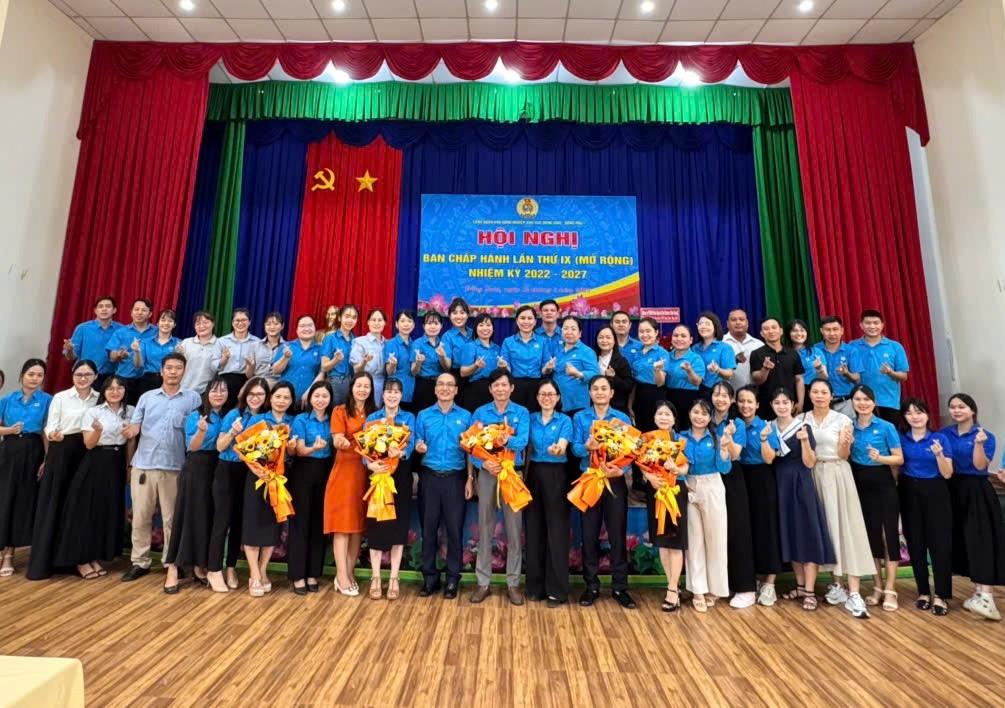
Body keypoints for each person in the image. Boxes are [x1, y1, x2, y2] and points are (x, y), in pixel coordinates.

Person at [121, 353, 201, 582]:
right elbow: (135, 424)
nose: (173, 371)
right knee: (140, 517)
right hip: (144, 465)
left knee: (171, 519)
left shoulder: (193, 399)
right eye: (169, 367)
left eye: (178, 368)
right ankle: (140, 561)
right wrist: (131, 431)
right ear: (161, 371)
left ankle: (171, 562)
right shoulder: (147, 397)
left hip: (175, 467)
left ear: (184, 371)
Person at [800, 379, 874, 619]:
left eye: (824, 392)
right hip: (813, 474)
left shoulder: (843, 420)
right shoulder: (803, 420)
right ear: (809, 394)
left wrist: (844, 445)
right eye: (815, 392)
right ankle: (837, 583)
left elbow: (844, 454)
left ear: (831, 395)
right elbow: (806, 457)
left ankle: (854, 592)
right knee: (826, 528)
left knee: (846, 527)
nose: (819, 396)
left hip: (838, 473)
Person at [53, 375, 135, 579]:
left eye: (119, 388)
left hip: (117, 463)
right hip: (96, 461)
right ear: (104, 391)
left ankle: (94, 556)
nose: (115, 391)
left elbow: (130, 442)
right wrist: (98, 431)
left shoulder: (131, 411)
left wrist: (128, 466)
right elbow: (89, 444)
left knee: (105, 512)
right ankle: (81, 559)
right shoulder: (94, 412)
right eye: (110, 388)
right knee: (87, 511)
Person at [27, 359, 100, 580]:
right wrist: (53, 435)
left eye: (87, 374)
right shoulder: (60, 397)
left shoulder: (100, 398)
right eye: (78, 374)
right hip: (62, 451)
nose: (83, 378)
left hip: (88, 452)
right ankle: (48, 561)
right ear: (72, 376)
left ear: (95, 377)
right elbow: (50, 425)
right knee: (55, 504)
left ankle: (80, 557)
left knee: (80, 507)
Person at [768, 387, 834, 611]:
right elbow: (769, 459)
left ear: (793, 404)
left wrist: (805, 442)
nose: (781, 406)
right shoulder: (769, 428)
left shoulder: (802, 427)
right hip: (780, 483)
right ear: (772, 406)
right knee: (790, 534)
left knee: (807, 533)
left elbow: (809, 462)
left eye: (785, 402)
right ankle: (799, 585)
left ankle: (810, 590)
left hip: (801, 482)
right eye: (777, 402)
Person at [573, 375, 636, 609]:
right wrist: (585, 448)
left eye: (604, 388)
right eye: (595, 389)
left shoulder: (620, 418)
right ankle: (591, 586)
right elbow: (574, 447)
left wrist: (622, 470)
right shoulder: (580, 418)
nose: (600, 392)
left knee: (617, 533)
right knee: (588, 534)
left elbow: (631, 451)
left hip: (614, 480)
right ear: (589, 393)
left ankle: (620, 587)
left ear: (611, 393)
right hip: (590, 478)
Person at [941, 393, 1005, 621]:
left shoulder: (986, 436)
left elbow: (980, 466)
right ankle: (977, 592)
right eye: (953, 407)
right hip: (952, 489)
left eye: (962, 407)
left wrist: (978, 444)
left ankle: (986, 596)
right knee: (963, 541)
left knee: (981, 540)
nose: (957, 410)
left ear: (972, 411)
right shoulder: (944, 434)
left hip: (976, 490)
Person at [468, 369, 530, 606]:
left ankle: (513, 583)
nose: (501, 389)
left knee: (514, 530)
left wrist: (505, 439)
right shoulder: (481, 413)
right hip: (487, 474)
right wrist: (484, 462)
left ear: (511, 388)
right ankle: (483, 582)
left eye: (505, 385)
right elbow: (471, 446)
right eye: (496, 385)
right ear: (490, 389)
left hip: (512, 473)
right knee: (485, 527)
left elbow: (522, 441)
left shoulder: (521, 412)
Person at [163, 377, 229, 593]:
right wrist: (201, 431)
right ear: (206, 393)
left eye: (223, 391)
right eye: (214, 391)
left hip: (217, 468)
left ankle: (199, 566)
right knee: (186, 517)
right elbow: (191, 445)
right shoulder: (195, 416)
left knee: (206, 518)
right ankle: (172, 568)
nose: (218, 395)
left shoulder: (227, 417)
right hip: (196, 466)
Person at [209, 376, 270, 592]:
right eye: (252, 394)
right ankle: (214, 569)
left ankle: (231, 567)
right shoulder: (234, 415)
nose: (255, 398)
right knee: (222, 521)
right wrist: (233, 432)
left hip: (250, 473)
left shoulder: (266, 418)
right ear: (245, 395)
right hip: (228, 470)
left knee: (239, 523)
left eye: (260, 395)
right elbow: (219, 446)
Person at [414, 372, 472, 599]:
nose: (445, 388)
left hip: (456, 478)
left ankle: (452, 579)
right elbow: (417, 441)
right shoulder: (424, 416)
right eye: (441, 384)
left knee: (454, 529)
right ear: (435, 388)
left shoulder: (466, 416)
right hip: (429, 477)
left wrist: (470, 478)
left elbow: (471, 450)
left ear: (456, 390)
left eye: (450, 385)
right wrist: (418, 446)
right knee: (428, 530)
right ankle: (429, 578)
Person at [849, 384, 904, 612]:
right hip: (859, 484)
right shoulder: (848, 427)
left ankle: (891, 588)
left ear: (874, 402)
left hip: (883, 483)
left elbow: (899, 459)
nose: (862, 403)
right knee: (870, 536)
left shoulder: (886, 427)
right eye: (858, 399)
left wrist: (880, 458)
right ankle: (877, 586)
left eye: (866, 399)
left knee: (888, 535)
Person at [896, 398, 953, 616]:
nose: (915, 417)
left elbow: (948, 473)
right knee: (916, 544)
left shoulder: (940, 438)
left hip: (936, 491)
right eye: (909, 413)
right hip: (909, 491)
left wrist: (939, 454)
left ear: (927, 415)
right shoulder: (902, 440)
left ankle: (941, 594)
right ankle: (923, 592)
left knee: (940, 545)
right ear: (905, 417)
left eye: (919, 412)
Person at [243, 381, 297, 597]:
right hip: (257, 480)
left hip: (279, 481)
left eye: (286, 398)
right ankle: (254, 574)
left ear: (291, 401)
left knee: (271, 527)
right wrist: (257, 471)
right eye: (278, 396)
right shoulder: (258, 420)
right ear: (270, 398)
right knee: (253, 525)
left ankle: (263, 570)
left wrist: (291, 450)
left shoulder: (292, 423)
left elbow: (291, 456)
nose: (281, 401)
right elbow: (245, 451)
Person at [324, 372, 376, 595]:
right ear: (352, 387)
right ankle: (341, 576)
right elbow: (336, 438)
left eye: (367, 386)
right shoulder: (340, 411)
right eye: (359, 385)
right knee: (342, 526)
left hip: (368, 472)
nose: (363, 390)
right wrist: (340, 440)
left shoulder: (375, 414)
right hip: (345, 471)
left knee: (357, 526)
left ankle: (349, 571)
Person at [363, 378, 415, 601]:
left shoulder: (409, 418)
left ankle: (394, 577)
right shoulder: (372, 419)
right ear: (382, 395)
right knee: (376, 525)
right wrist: (369, 464)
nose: (392, 396)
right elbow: (365, 450)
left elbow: (411, 447)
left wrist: (401, 453)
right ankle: (376, 577)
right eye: (388, 392)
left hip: (399, 476)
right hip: (378, 475)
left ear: (401, 396)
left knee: (398, 525)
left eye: (396, 392)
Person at [524, 379, 574, 607]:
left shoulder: (565, 420)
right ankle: (535, 587)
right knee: (534, 529)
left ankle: (557, 590)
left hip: (556, 475)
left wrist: (559, 448)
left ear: (558, 397)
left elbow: (563, 443)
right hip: (533, 474)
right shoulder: (530, 418)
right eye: (543, 394)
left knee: (557, 531)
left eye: (551, 394)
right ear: (537, 397)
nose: (547, 398)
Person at [680, 398, 732, 612]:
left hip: (712, 485)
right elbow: (677, 464)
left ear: (710, 416)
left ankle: (716, 588)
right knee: (695, 540)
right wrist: (685, 484)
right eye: (695, 412)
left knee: (716, 538)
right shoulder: (680, 437)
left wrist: (725, 448)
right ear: (689, 414)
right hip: (690, 485)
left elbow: (724, 468)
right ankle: (698, 589)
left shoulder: (717, 436)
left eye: (704, 413)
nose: (699, 417)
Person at [0, 359, 51, 577]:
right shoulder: (7, 400)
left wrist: (46, 459)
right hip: (8, 450)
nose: (35, 379)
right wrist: (8, 431)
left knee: (22, 500)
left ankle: (10, 554)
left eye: (39, 375)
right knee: (4, 499)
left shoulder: (48, 400)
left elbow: (47, 432)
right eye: (31, 374)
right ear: (22, 375)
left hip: (33, 450)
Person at [637, 400, 690, 613]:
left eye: (668, 414)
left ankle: (672, 590)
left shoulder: (681, 440)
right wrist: (649, 477)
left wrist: (675, 468)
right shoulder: (647, 440)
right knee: (661, 541)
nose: (663, 417)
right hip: (655, 492)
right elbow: (641, 465)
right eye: (660, 414)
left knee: (675, 541)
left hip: (675, 493)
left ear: (674, 419)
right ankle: (672, 585)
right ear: (654, 417)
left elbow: (686, 467)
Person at [710, 382, 757, 609]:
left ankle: (745, 587)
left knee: (738, 531)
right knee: (718, 533)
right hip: (710, 478)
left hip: (732, 478)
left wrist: (727, 440)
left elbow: (737, 453)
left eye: (725, 396)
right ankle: (722, 585)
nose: (720, 399)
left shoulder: (736, 423)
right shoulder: (705, 420)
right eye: (716, 394)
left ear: (731, 401)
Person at [735, 385, 783, 606]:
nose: (745, 405)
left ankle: (770, 583)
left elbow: (769, 459)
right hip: (740, 478)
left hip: (762, 479)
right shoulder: (734, 426)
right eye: (742, 401)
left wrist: (764, 439)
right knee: (747, 531)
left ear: (758, 404)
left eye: (749, 401)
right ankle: (751, 579)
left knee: (767, 529)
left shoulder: (765, 427)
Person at [289, 381, 334, 596]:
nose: (321, 400)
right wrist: (313, 448)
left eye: (325, 396)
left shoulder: (332, 420)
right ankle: (298, 575)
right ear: (310, 398)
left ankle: (313, 573)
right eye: (317, 396)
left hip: (326, 472)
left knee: (319, 523)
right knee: (300, 523)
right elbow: (298, 451)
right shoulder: (301, 420)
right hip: (303, 471)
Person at [851, 309, 909, 423]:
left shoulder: (895, 347)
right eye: (868, 323)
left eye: (876, 323)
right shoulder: (852, 346)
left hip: (889, 403)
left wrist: (890, 372)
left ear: (882, 325)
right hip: (861, 403)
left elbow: (904, 376)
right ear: (861, 325)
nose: (872, 326)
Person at [751, 317, 805, 419]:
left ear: (781, 331)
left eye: (774, 327)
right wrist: (765, 369)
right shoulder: (756, 354)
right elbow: (757, 380)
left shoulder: (792, 353)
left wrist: (801, 402)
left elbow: (799, 379)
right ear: (762, 333)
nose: (771, 331)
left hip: (790, 405)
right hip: (766, 406)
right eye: (766, 329)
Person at [105, 298, 156, 406]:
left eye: (143, 310)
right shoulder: (121, 332)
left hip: (148, 380)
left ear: (150, 314)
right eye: (136, 309)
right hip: (124, 379)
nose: (139, 312)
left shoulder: (157, 332)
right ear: (131, 312)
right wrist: (119, 354)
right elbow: (111, 356)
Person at [63, 295, 121, 385]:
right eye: (100, 306)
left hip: (111, 377)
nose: (104, 309)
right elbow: (71, 357)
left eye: (108, 306)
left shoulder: (121, 330)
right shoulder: (83, 328)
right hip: (85, 375)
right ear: (95, 310)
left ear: (114, 310)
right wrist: (69, 349)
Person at [548, 316, 599, 416]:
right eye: (565, 328)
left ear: (580, 333)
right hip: (557, 403)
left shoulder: (587, 351)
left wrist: (578, 374)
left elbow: (595, 374)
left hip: (577, 405)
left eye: (573, 329)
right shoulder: (558, 350)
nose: (569, 332)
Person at [813, 316, 862, 418]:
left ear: (842, 331)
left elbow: (857, 379)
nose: (832, 333)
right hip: (820, 402)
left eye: (835, 329)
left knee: (847, 432)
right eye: (828, 330)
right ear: (821, 331)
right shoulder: (814, 350)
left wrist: (846, 373)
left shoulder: (851, 351)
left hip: (845, 403)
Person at [499, 305, 546, 412]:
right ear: (516, 321)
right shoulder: (508, 342)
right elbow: (507, 370)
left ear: (535, 322)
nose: (526, 321)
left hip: (537, 385)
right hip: (515, 386)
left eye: (530, 318)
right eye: (522, 318)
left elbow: (545, 369)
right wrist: (504, 367)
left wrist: (548, 367)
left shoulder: (542, 341)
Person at [628, 317, 669, 434]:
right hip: (638, 396)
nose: (644, 334)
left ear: (656, 332)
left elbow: (660, 383)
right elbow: (634, 381)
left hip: (654, 396)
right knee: (639, 433)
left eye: (648, 331)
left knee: (654, 433)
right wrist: (630, 404)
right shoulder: (636, 352)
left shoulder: (662, 353)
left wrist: (657, 370)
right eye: (641, 331)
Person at [216, 308, 260, 410]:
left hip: (246, 381)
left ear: (249, 322)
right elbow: (216, 366)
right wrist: (224, 359)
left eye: (244, 320)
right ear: (232, 323)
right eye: (237, 320)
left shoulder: (257, 342)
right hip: (225, 381)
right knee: (223, 411)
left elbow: (256, 370)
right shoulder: (222, 341)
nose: (240, 323)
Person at [132, 309, 179, 402]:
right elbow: (138, 365)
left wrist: (181, 353)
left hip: (170, 381)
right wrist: (137, 352)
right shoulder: (146, 342)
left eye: (170, 321)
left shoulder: (179, 344)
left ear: (174, 325)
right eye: (163, 320)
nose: (166, 323)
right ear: (157, 323)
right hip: (148, 381)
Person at [272, 315, 323, 402]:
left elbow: (323, 373)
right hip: (284, 398)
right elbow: (275, 371)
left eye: (310, 325)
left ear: (315, 328)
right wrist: (285, 357)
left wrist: (310, 392)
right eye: (302, 326)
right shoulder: (287, 346)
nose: (307, 329)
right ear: (297, 330)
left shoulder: (321, 349)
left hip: (309, 398)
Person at [665, 324, 705, 430]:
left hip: (688, 400)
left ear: (691, 340)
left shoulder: (696, 358)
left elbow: (697, 382)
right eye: (676, 335)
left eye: (683, 336)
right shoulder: (666, 356)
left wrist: (689, 370)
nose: (679, 339)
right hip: (668, 398)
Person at [458, 314, 501, 412]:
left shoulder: (497, 348)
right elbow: (463, 372)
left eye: (488, 325)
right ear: (476, 329)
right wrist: (476, 366)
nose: (485, 328)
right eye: (481, 325)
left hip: (495, 390)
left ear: (493, 328)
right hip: (476, 390)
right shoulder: (469, 346)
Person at [411, 311, 450, 413]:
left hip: (441, 385)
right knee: (422, 414)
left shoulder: (444, 344)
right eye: (429, 323)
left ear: (441, 326)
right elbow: (413, 372)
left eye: (436, 323)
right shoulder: (417, 343)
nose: (433, 326)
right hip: (423, 384)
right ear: (424, 326)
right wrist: (419, 362)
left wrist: (442, 356)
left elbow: (447, 368)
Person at [177, 311, 224, 394]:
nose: (201, 326)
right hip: (183, 389)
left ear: (213, 324)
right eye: (198, 324)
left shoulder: (220, 344)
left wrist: (224, 359)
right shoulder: (186, 342)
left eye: (205, 322)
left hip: (206, 392)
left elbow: (219, 368)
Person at [320, 303, 358, 405]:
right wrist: (335, 360)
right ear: (340, 318)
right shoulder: (330, 338)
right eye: (347, 316)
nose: (350, 320)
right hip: (335, 382)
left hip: (352, 383)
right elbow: (324, 367)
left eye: (354, 317)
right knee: (334, 414)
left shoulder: (356, 340)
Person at [693, 312, 736, 396]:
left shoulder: (725, 348)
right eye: (701, 324)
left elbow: (729, 374)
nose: (703, 326)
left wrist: (717, 370)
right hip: (695, 391)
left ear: (715, 326)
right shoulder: (694, 348)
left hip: (716, 392)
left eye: (707, 324)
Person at [593, 325, 632, 414]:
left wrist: (614, 377)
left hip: (616, 408)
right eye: (601, 337)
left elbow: (629, 386)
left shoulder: (622, 361)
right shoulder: (591, 358)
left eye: (608, 337)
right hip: (594, 407)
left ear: (614, 341)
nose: (604, 341)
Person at [350, 310, 387, 403]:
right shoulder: (359, 342)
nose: (376, 323)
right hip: (364, 384)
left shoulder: (388, 343)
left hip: (384, 385)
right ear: (368, 322)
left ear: (384, 323)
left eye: (380, 320)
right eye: (373, 320)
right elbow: (356, 370)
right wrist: (364, 361)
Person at [722, 309, 763, 391]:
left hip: (753, 396)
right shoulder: (720, 343)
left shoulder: (759, 345)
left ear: (747, 323)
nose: (738, 322)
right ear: (727, 324)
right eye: (733, 320)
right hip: (726, 396)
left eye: (741, 319)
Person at [383, 311, 416, 412]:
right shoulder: (391, 344)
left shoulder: (415, 344)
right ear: (397, 324)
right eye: (402, 321)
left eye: (409, 321)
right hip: (394, 392)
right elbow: (389, 372)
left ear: (414, 325)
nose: (406, 324)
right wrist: (392, 364)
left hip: (411, 390)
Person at [442, 298, 473, 383]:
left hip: (475, 374)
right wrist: (441, 356)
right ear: (449, 316)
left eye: (462, 313)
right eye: (454, 313)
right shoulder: (447, 336)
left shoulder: (474, 333)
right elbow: (447, 366)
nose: (458, 316)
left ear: (467, 315)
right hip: (456, 377)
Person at [255, 312, 286, 386]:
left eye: (276, 324)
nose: (272, 327)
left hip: (278, 383)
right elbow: (249, 374)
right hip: (257, 381)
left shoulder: (287, 347)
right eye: (268, 324)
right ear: (264, 326)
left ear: (282, 326)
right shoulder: (255, 345)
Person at [787, 319, 819, 388]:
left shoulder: (815, 351)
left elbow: (825, 378)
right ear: (788, 333)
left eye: (802, 330)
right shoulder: (784, 352)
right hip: (790, 390)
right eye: (795, 331)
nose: (799, 333)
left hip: (812, 390)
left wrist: (820, 369)